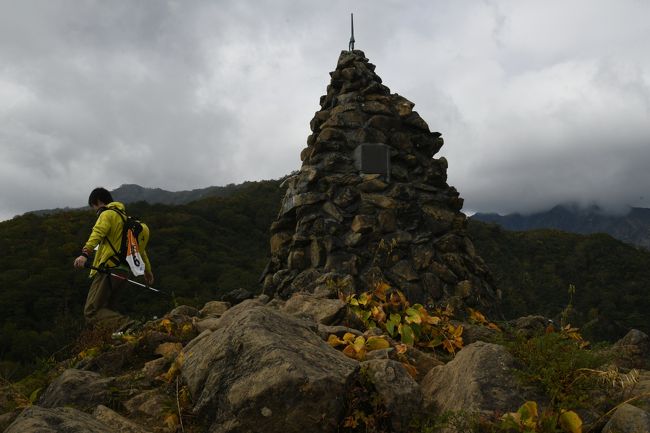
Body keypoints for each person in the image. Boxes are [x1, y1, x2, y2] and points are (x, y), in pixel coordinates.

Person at [73, 187, 154, 330]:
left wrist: (85, 254)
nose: (95, 212)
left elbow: (97, 233)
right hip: (124, 272)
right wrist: (147, 270)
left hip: (108, 270)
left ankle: (131, 326)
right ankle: (117, 338)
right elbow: (140, 250)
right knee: (107, 310)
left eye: (94, 207)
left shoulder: (107, 215)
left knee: (92, 311)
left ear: (98, 202)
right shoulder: (128, 221)